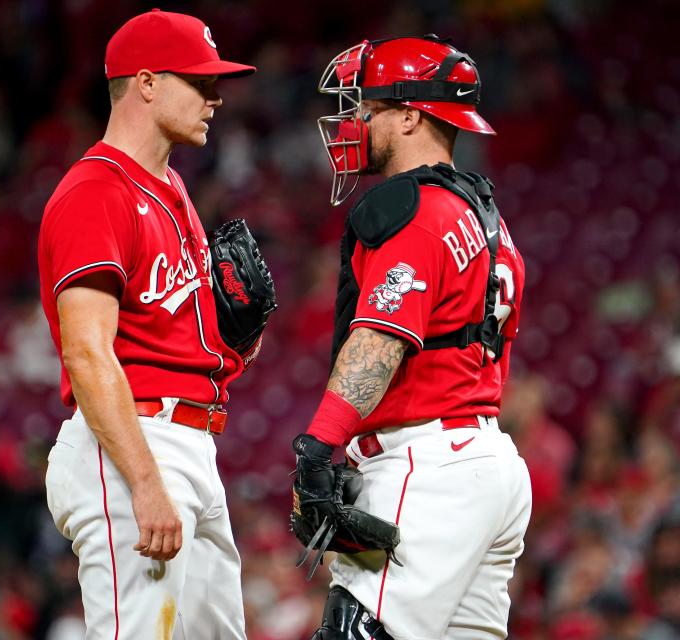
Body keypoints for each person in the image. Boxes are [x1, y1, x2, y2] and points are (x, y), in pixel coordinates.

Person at [294, 36, 532, 639]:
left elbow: (379, 341)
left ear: (408, 114)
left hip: (428, 468)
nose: (352, 122)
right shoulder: (487, 219)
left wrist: (319, 448)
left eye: (365, 108)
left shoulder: (418, 211)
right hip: (485, 462)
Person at [37, 10, 255, 638]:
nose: (215, 97)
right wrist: (144, 481)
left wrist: (235, 341)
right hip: (132, 444)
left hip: (191, 442)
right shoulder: (93, 193)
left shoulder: (172, 187)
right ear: (148, 82)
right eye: (200, 81)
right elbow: (86, 354)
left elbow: (175, 336)